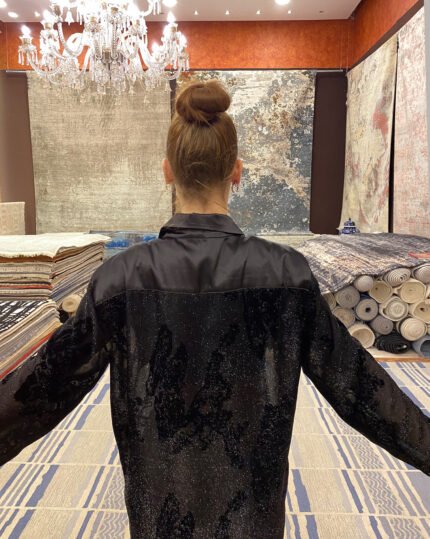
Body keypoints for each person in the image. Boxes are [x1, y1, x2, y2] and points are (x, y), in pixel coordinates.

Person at [0, 80, 429, 539]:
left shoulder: (120, 277)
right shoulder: (287, 272)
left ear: (168, 171)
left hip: (158, 507)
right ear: (237, 172)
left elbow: (43, 386)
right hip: (252, 510)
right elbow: (359, 387)